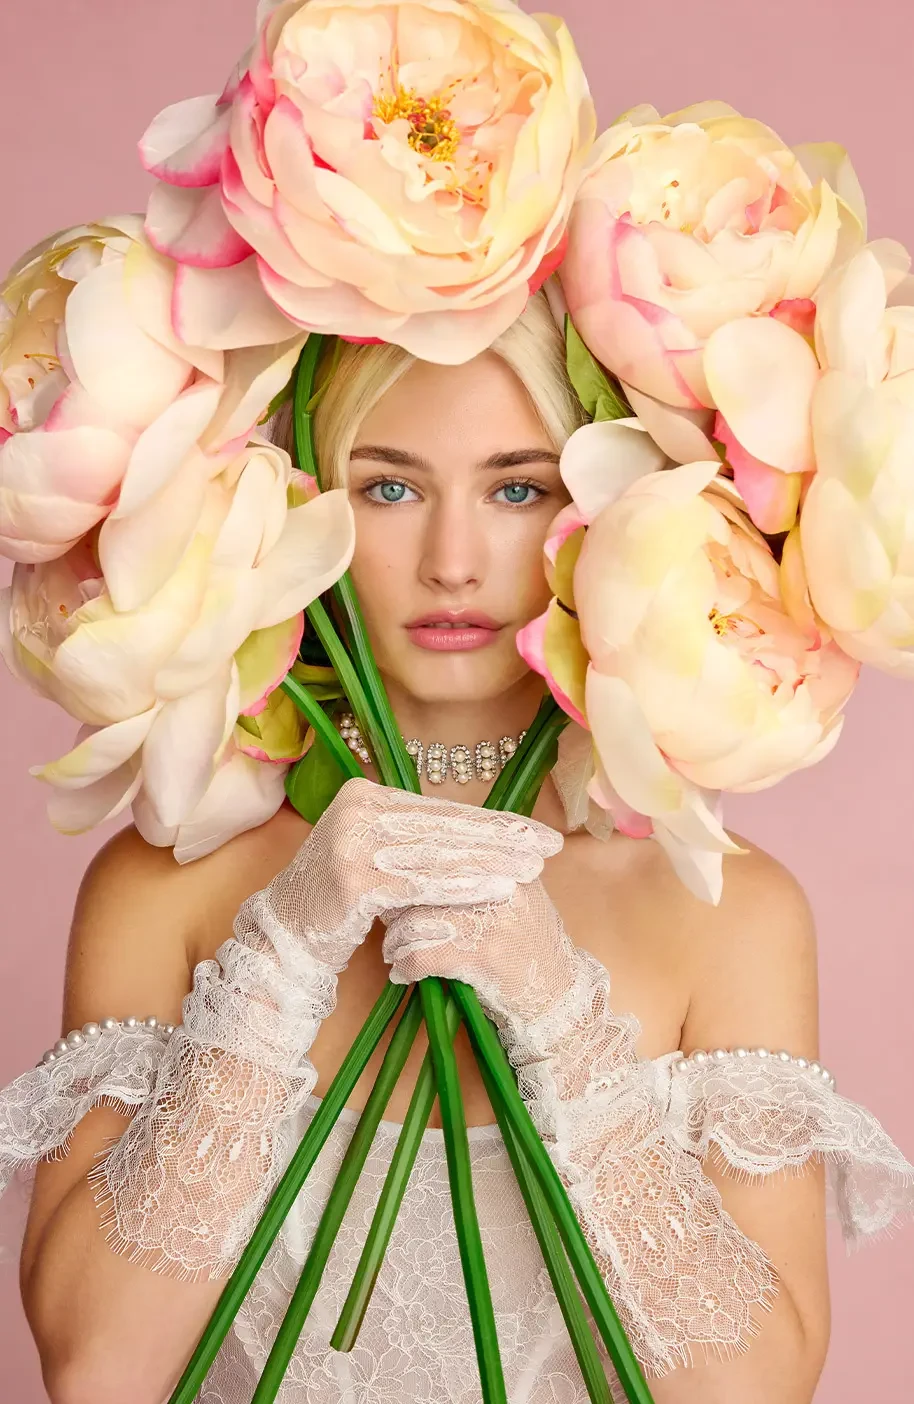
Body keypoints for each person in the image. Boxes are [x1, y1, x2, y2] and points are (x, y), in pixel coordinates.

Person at [1, 290, 912, 1404]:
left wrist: (566, 1025)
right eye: (388, 487)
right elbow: (97, 1375)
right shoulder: (166, 885)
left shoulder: (724, 910)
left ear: (611, 510)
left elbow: (751, 1396)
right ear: (290, 507)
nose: (452, 561)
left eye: (517, 488)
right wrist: (276, 962)